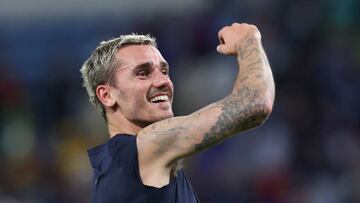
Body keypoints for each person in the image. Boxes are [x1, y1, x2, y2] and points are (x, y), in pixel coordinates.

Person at [80, 22, 275, 203]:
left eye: (164, 71)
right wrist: (249, 41)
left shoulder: (116, 167)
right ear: (106, 95)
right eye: (143, 73)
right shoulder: (140, 150)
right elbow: (255, 103)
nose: (163, 81)